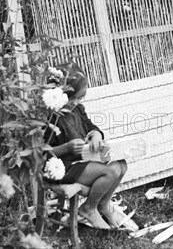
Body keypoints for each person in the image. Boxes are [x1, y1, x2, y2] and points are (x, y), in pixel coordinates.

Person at [44, 62, 135, 230]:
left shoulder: (77, 109)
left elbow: (91, 126)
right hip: (63, 167)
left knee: (121, 165)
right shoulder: (49, 116)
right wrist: (67, 148)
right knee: (111, 171)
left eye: (80, 98)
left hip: (82, 161)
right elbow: (41, 152)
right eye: (74, 98)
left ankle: (103, 204)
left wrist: (96, 135)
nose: (77, 102)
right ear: (60, 93)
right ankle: (89, 208)